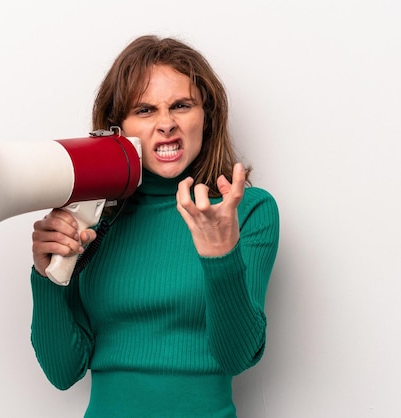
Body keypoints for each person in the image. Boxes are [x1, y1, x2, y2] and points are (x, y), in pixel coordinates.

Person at [29, 34, 279, 417]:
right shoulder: (93, 218)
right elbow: (63, 372)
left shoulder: (248, 211)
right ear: (118, 128)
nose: (166, 124)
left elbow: (237, 357)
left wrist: (220, 256)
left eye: (181, 105)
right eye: (145, 110)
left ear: (206, 116)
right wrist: (47, 277)